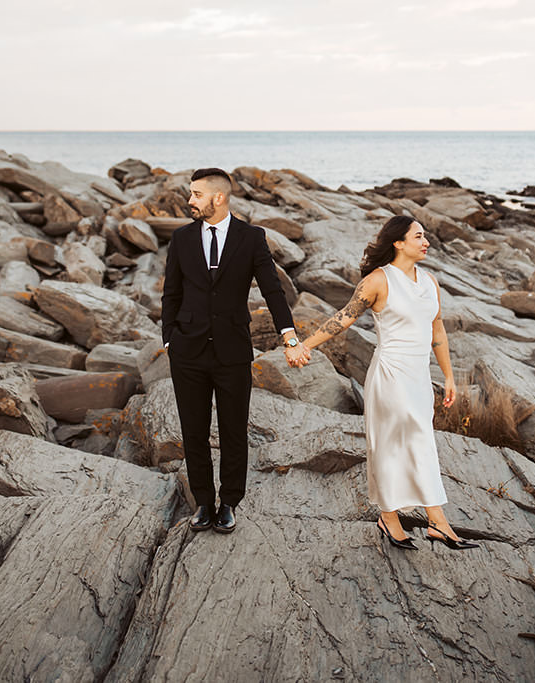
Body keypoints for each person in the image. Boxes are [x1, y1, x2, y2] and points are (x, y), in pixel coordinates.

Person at [293, 215, 479, 549]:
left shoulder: (430, 281)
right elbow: (344, 318)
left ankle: (390, 518)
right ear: (398, 242)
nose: (426, 242)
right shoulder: (378, 281)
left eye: (425, 237)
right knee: (408, 440)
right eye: (419, 236)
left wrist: (448, 377)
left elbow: (437, 331)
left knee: (399, 444)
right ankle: (438, 522)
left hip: (420, 375)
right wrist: (305, 345)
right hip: (391, 373)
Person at [161, 167, 300, 535]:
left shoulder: (251, 238)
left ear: (218, 197)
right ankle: (203, 502)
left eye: (196, 194)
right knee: (193, 430)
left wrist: (288, 334)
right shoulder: (181, 239)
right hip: (187, 350)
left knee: (234, 429)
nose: (190, 200)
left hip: (233, 349)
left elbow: (272, 289)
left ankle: (229, 502)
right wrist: (169, 338)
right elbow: (171, 293)